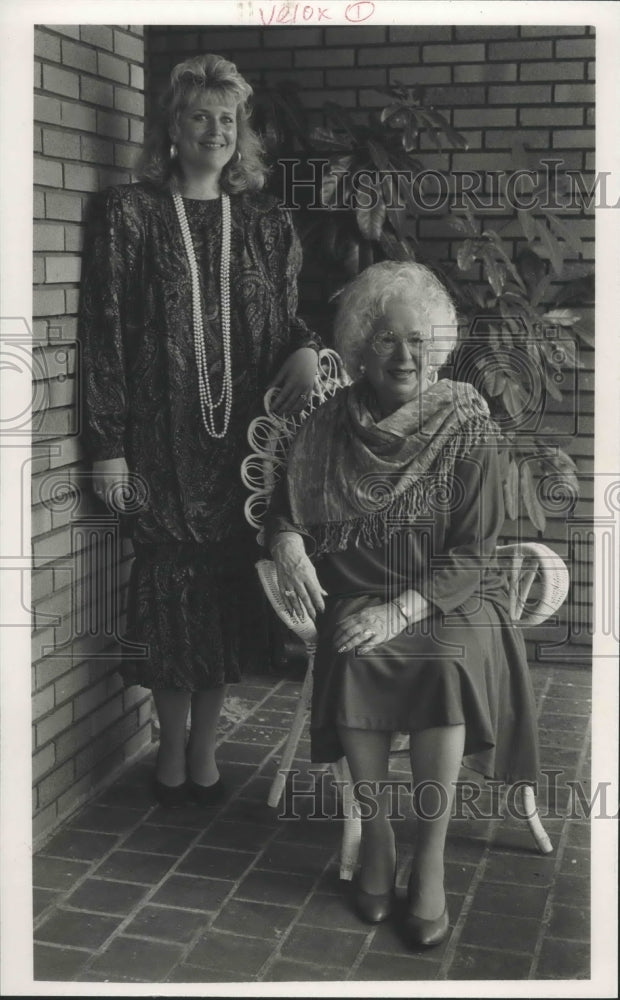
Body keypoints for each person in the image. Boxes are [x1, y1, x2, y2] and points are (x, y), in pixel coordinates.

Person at [265, 261, 539, 948]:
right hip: (360, 589)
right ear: (361, 345)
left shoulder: (467, 425)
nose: (404, 355)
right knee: (354, 652)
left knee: (442, 663)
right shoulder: (328, 423)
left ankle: (432, 857)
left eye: (418, 339)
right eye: (386, 338)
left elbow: (474, 553)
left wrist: (401, 611)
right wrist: (291, 545)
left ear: (438, 346)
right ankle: (379, 840)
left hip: (454, 595)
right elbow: (285, 512)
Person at [79, 54, 321, 808]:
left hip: (238, 453)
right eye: (199, 117)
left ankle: (205, 748)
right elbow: (106, 332)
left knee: (216, 600)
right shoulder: (132, 215)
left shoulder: (266, 223)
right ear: (172, 130)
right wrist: (108, 443)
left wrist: (310, 349)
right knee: (168, 595)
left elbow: (285, 321)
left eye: (228, 118)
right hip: (157, 445)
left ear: (239, 132)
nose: (216, 130)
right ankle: (169, 744)